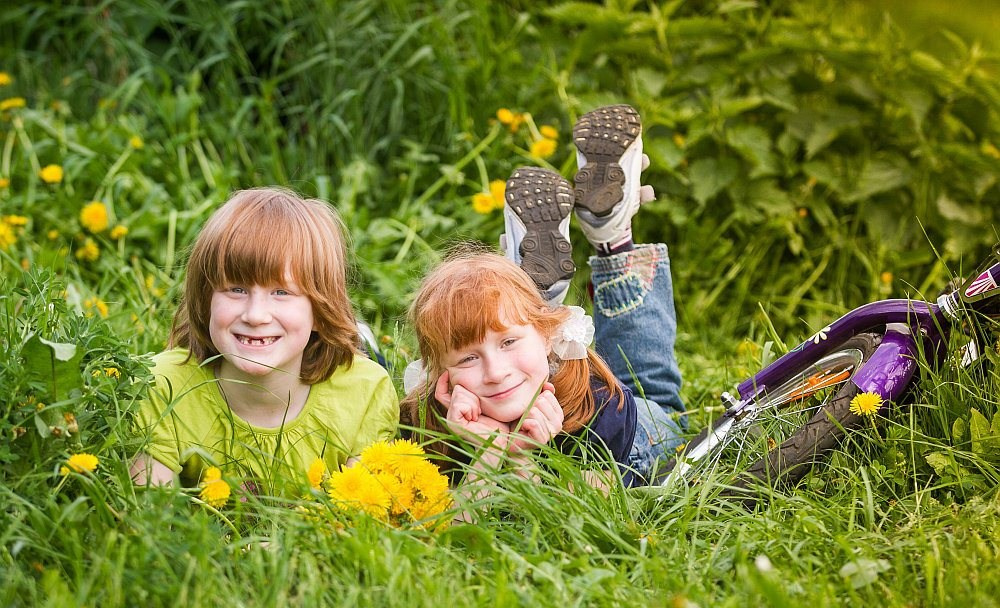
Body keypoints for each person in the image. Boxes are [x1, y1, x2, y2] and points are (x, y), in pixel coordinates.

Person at [401, 104, 686, 490]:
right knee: (521, 327)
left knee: (656, 396)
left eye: (507, 342)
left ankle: (611, 244)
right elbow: (458, 524)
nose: (496, 372)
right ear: (438, 371)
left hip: (635, 427)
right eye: (468, 357)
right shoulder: (427, 427)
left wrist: (528, 460)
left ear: (553, 338)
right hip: (550, 361)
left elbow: (574, 517)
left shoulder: (600, 412)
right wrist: (491, 453)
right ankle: (540, 295)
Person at [130, 187, 398, 493]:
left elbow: (361, 522)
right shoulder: (158, 386)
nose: (256, 315)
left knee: (364, 357)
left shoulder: (364, 393)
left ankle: (359, 338)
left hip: (340, 367)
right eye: (236, 289)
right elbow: (148, 520)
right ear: (205, 300)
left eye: (281, 292)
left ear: (321, 309)